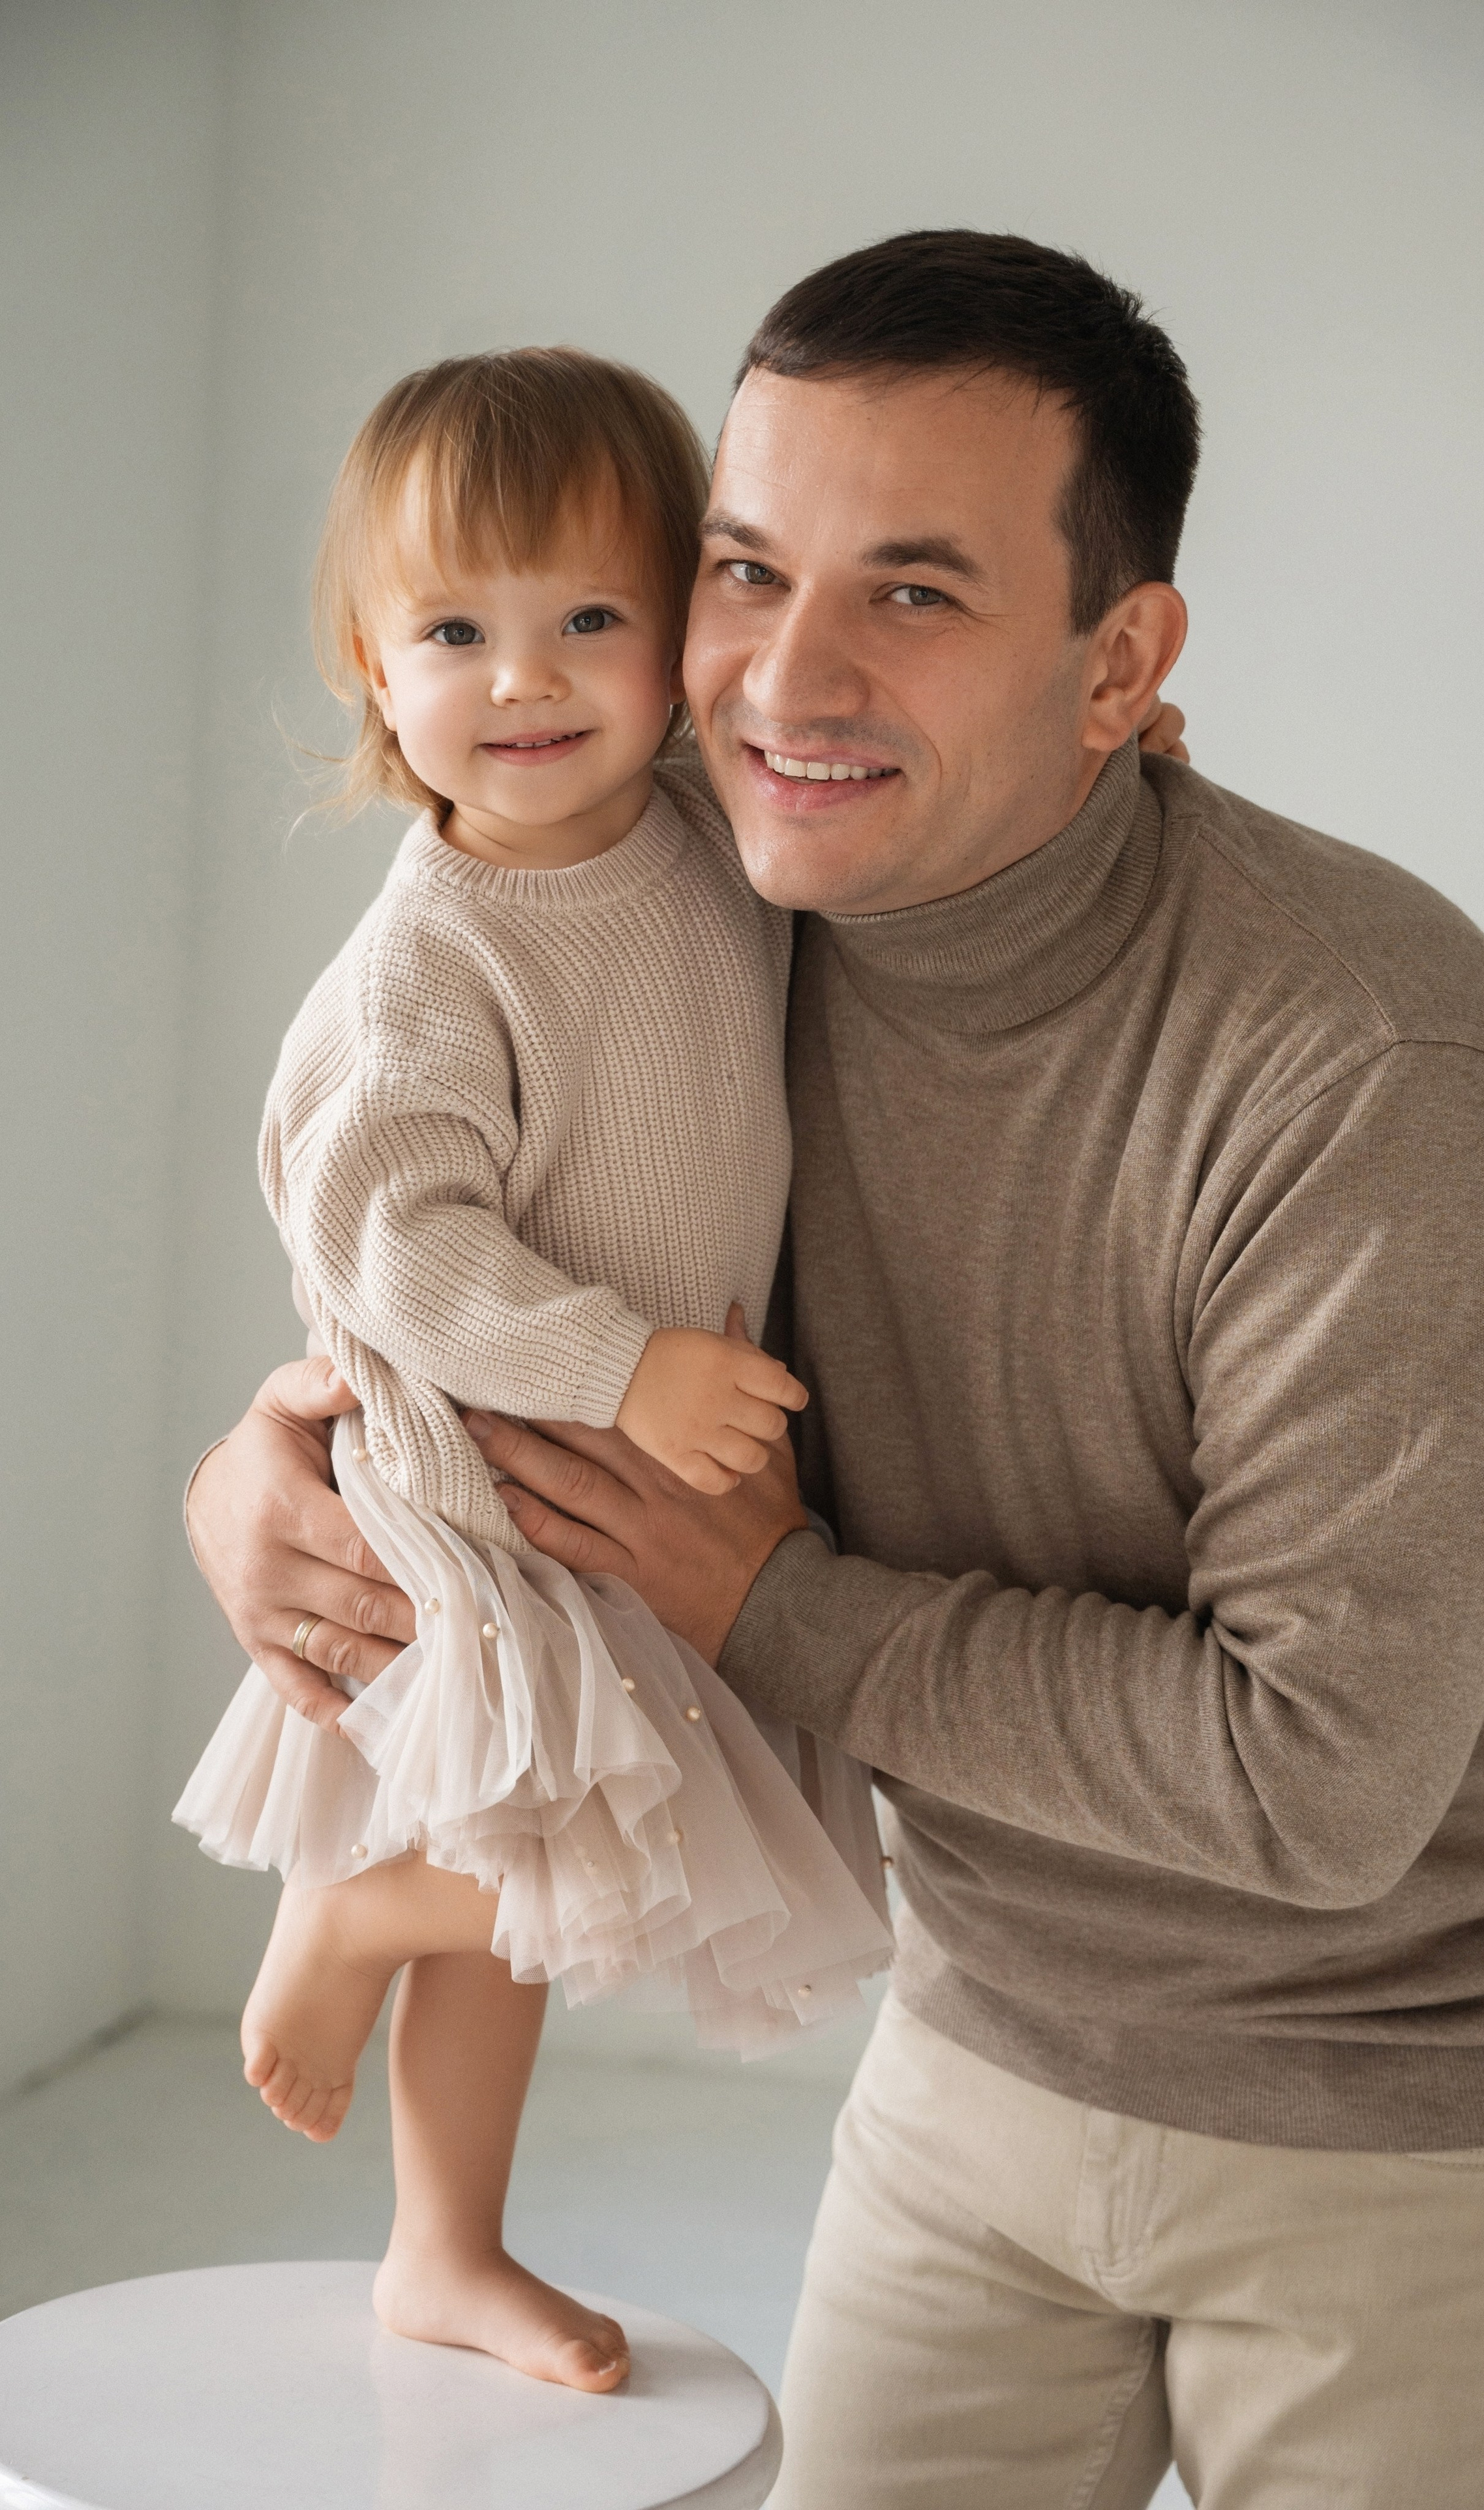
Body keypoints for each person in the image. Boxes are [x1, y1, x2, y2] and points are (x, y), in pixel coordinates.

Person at [186, 233, 1484, 2509]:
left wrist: (761, 1605)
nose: (788, 674)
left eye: (918, 593)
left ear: (1124, 664)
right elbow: (454, 1186)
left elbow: (1317, 1785)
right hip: (976, 2044)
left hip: (1412, 2097)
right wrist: (276, 1471)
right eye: (747, 570)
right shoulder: (727, 898)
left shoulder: (1375, 1078)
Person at [174, 343, 894, 2395]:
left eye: (592, 617)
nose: (529, 678)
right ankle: (349, 1916)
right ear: (370, 668)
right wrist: (623, 1363)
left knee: (543, 1918)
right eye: (457, 631)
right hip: (493, 1469)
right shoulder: (433, 954)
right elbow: (391, 1240)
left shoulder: (693, 829)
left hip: (625, 1474)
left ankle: (441, 2247)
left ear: (682, 639)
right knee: (548, 1858)